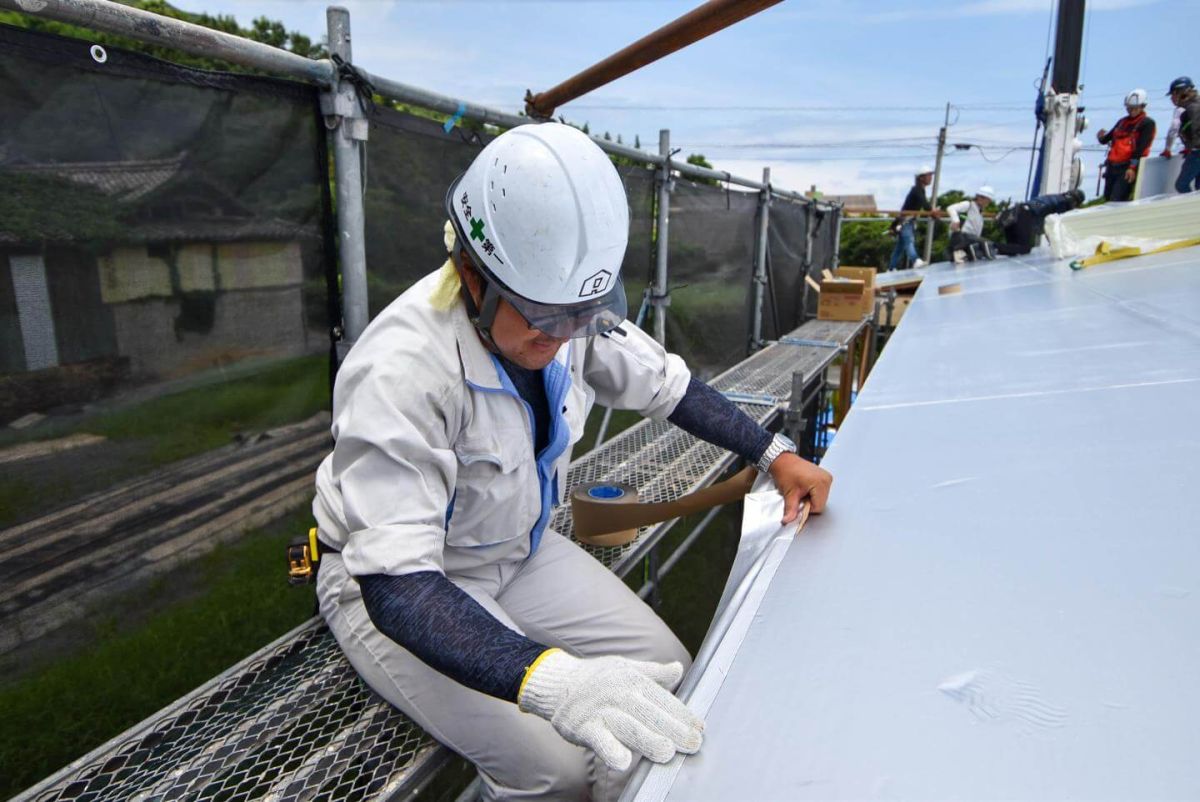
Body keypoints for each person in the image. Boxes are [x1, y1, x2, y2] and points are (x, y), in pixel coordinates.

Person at [311, 122, 834, 801]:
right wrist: (552, 680)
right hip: (401, 581)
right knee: (552, 770)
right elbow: (399, 586)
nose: (559, 337)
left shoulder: (560, 318)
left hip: (517, 550)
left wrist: (773, 453)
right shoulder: (401, 371)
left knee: (665, 673)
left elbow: (670, 387)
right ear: (472, 275)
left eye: (579, 314)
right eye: (538, 314)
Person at [1096, 89, 1156, 202]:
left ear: (1142, 106)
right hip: (1112, 166)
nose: (1131, 110)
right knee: (1108, 198)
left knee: (1118, 198)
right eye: (1129, 107)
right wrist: (1100, 136)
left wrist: (1132, 168)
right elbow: (1106, 139)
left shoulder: (1147, 124)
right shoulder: (1122, 122)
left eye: (1134, 107)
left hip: (1127, 168)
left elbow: (1141, 148)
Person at [888, 165, 935, 271]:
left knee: (900, 247)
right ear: (921, 178)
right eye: (928, 175)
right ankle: (915, 260)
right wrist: (932, 212)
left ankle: (891, 267)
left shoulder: (920, 190)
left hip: (908, 220)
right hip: (906, 221)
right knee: (909, 241)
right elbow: (925, 204)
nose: (930, 178)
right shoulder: (916, 190)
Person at [1167, 76, 1200, 193]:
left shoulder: (1193, 108)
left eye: (1173, 94)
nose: (1172, 98)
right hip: (1195, 152)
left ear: (1182, 92)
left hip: (1197, 154)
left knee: (1181, 185)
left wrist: (1194, 148)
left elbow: (1197, 130)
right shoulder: (1191, 107)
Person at [945, 185, 996, 262]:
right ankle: (959, 252)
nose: (986, 202)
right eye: (984, 198)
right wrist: (956, 220)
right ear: (978, 197)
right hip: (962, 237)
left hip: (971, 239)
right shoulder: (968, 205)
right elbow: (951, 208)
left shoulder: (980, 212)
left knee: (985, 245)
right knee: (985, 243)